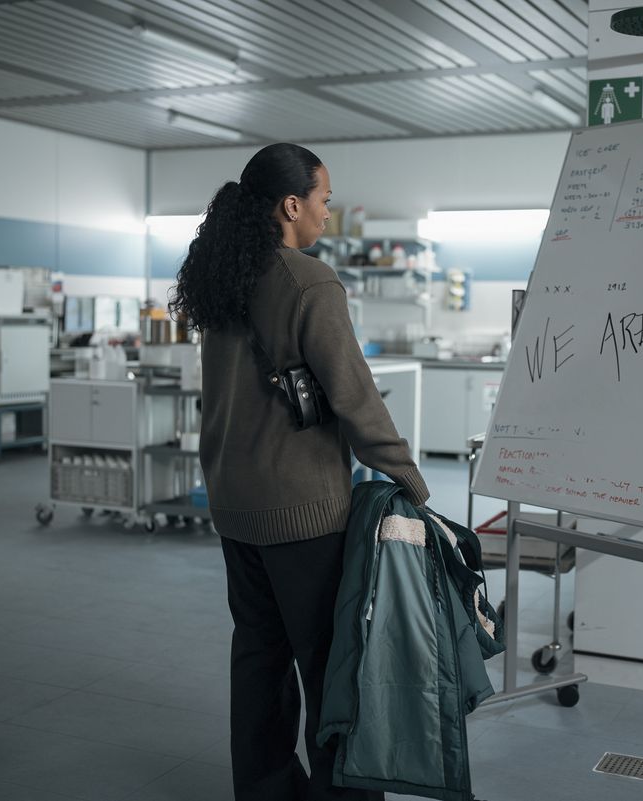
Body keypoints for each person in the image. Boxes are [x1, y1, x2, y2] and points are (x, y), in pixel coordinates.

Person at [169, 142, 429, 801]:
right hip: (303, 513)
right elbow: (356, 399)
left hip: (234, 504)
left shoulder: (223, 278)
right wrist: (412, 482)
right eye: (323, 200)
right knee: (329, 663)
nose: (326, 213)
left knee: (258, 657)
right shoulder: (308, 281)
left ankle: (265, 789)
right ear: (292, 204)